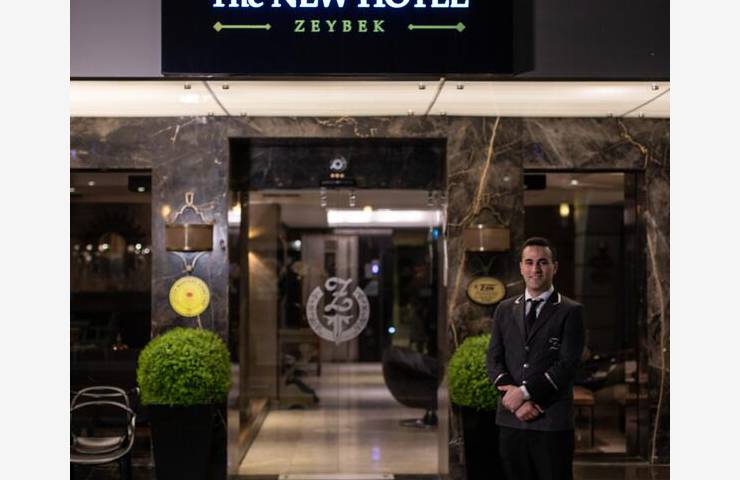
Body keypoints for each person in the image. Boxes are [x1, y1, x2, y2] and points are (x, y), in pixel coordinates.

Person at [486, 237, 585, 480]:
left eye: (542, 262)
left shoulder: (571, 311)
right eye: (529, 262)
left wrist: (526, 394)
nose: (535, 269)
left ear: (554, 267)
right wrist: (516, 402)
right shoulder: (504, 309)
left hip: (551, 421)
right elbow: (494, 360)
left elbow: (567, 366)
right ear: (521, 267)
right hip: (511, 420)